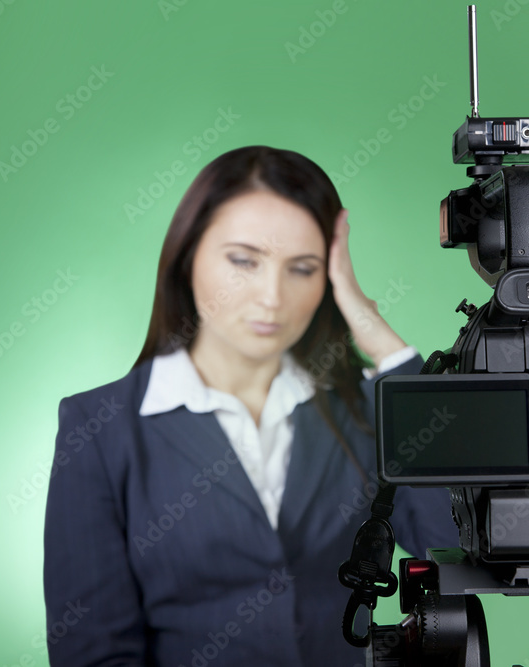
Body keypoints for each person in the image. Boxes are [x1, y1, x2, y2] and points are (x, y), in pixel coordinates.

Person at [43, 146, 457, 666]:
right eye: (243, 260)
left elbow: (448, 545)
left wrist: (379, 339)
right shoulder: (101, 428)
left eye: (302, 269)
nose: (271, 297)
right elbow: (92, 650)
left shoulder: (365, 411)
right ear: (188, 255)